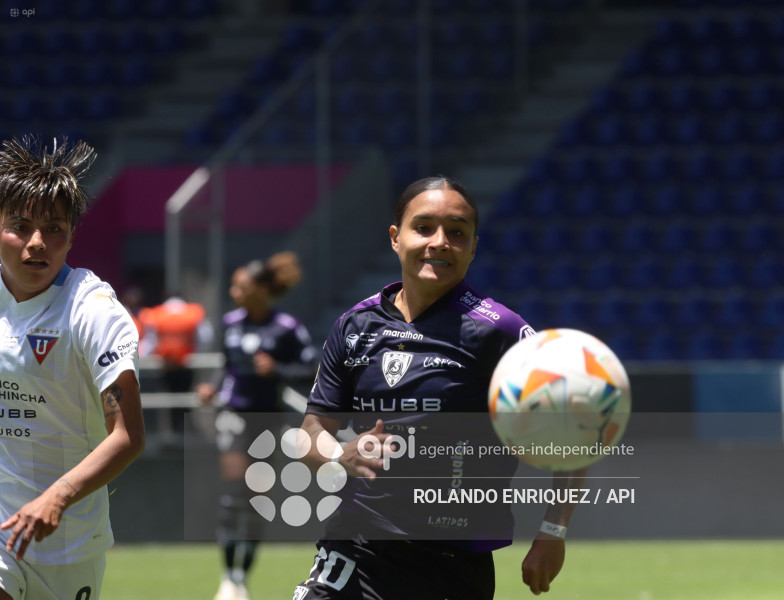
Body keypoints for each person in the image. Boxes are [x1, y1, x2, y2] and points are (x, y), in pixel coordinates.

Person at [293, 176, 588, 599]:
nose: (439, 241)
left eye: (457, 232)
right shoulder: (353, 326)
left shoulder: (500, 333)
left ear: (473, 247)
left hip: (451, 563)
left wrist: (552, 532)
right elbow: (310, 435)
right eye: (424, 227)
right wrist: (340, 454)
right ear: (396, 238)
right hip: (356, 545)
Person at [0, 136, 145, 600]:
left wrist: (56, 497)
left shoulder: (93, 311)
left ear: (72, 235)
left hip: (68, 542)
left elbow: (127, 436)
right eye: (20, 226)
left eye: (54, 228)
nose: (36, 243)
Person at [197, 252, 318, 600]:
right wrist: (212, 386)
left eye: (241, 285)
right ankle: (228, 577)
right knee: (234, 494)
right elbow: (225, 367)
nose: (234, 291)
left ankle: (241, 576)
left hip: (268, 422)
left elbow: (311, 370)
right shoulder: (232, 323)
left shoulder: (287, 329)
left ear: (262, 290)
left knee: (255, 502)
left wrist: (276, 370)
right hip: (235, 416)